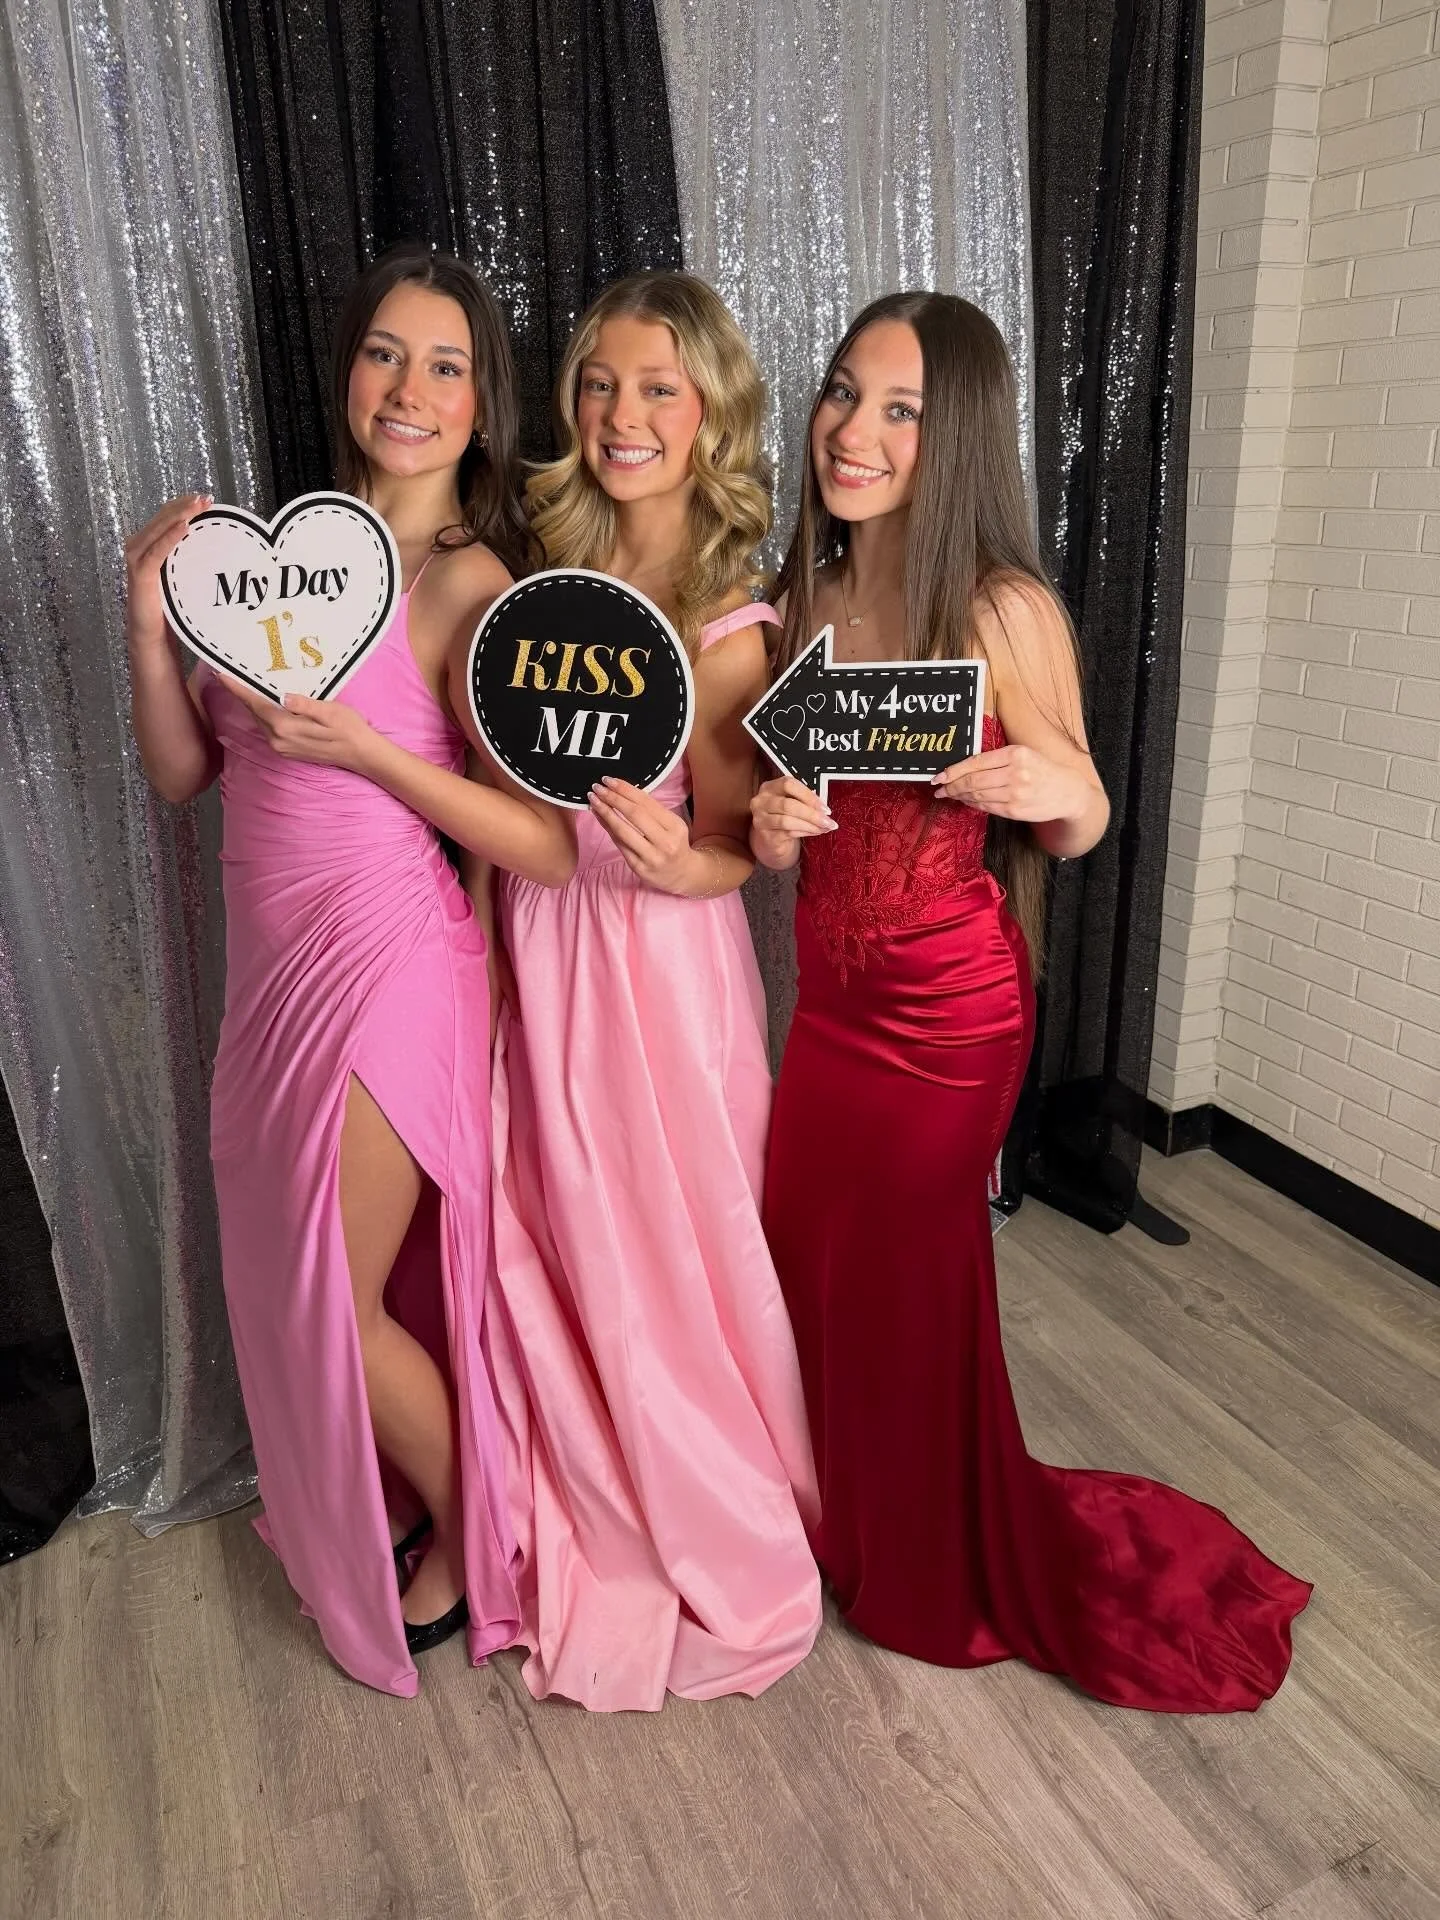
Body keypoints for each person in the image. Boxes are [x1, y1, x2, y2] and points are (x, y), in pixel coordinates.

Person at [751, 291, 1311, 1713]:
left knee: (909, 1280)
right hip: (830, 1008)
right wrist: (767, 819)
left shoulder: (1003, 607)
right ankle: (851, 1517)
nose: (854, 431)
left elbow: (1081, 815)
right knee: (808, 1259)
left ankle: (932, 1557)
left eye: (901, 412)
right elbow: (785, 805)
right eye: (844, 394)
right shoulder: (812, 589)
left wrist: (1059, 786)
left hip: (947, 1019)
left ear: (960, 443)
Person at [125, 244, 574, 1696]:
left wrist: (369, 749)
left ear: (483, 409)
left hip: (388, 964)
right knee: (275, 1277)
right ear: (347, 372)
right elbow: (187, 773)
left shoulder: (471, 583)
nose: (411, 388)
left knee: (333, 1287)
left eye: (446, 366)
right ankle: (402, 1503)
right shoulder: (271, 562)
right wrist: (149, 619)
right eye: (387, 352)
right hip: (269, 979)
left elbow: (544, 845)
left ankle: (470, 1538)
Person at [484, 270, 821, 1711]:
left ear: (710, 415)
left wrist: (672, 853)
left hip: (654, 963)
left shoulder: (726, 612)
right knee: (554, 1228)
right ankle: (579, 1465)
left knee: (667, 1251)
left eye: (659, 391)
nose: (625, 415)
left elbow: (738, 851)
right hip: (540, 939)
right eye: (603, 386)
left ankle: (707, 1501)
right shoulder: (544, 567)